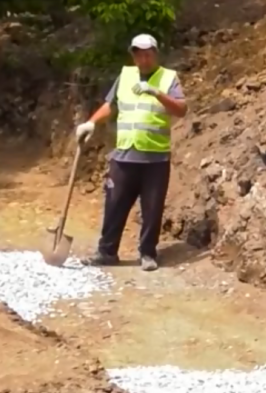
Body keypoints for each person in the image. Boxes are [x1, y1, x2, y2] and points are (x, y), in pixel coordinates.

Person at [74, 33, 188, 272]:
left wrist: (156, 92)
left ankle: (147, 253)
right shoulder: (125, 76)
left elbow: (181, 109)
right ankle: (107, 252)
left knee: (152, 209)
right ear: (133, 56)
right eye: (139, 55)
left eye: (148, 54)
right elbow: (111, 105)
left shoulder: (168, 77)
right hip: (124, 155)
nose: (143, 59)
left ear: (155, 54)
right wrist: (91, 123)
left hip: (155, 158)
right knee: (114, 204)